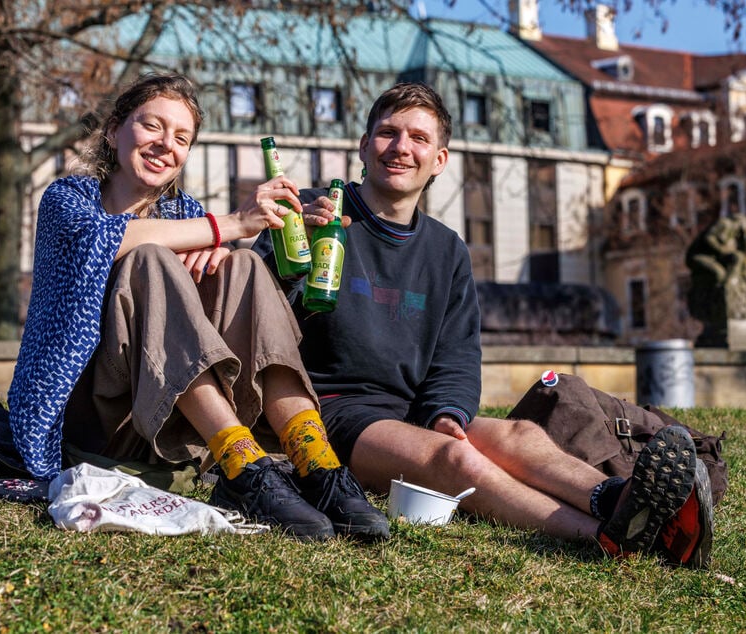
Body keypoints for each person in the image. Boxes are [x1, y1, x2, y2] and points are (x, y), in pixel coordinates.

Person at [254, 82, 711, 564]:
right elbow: (255, 313)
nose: (401, 148)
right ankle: (605, 538)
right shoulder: (309, 213)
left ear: (441, 159)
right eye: (387, 133)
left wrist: (447, 413)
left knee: (521, 437)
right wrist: (291, 251)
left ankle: (623, 500)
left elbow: (457, 354)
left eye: (419, 138)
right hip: (329, 410)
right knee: (456, 460)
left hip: (408, 407)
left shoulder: (446, 249)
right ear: (364, 146)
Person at [7, 73, 388, 541]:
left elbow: (235, 303)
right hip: (87, 419)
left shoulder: (184, 213)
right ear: (113, 130)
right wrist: (230, 222)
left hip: (166, 421)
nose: (165, 144)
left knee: (243, 265)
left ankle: (316, 462)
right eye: (152, 126)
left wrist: (272, 247)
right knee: (149, 259)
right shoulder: (68, 198)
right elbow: (110, 241)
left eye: (181, 137)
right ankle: (242, 466)